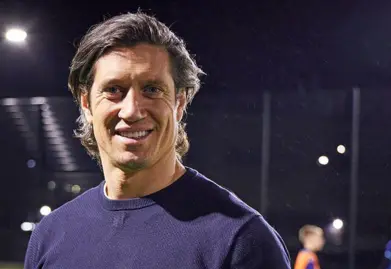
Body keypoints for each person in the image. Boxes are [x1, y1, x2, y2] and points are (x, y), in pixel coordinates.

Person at [24, 11, 291, 269]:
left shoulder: (241, 241)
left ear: (179, 103)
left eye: (152, 89)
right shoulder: (51, 235)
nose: (132, 110)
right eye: (114, 90)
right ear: (86, 104)